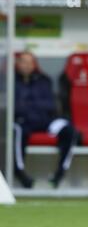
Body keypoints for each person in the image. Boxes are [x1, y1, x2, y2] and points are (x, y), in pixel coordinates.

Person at [14, 52, 78, 188]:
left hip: (44, 120)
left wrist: (29, 105)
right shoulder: (11, 80)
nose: (26, 65)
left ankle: (59, 174)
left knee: (68, 129)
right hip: (23, 121)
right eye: (23, 62)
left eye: (29, 62)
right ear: (17, 64)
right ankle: (19, 171)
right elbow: (14, 106)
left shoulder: (44, 80)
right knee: (17, 129)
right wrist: (31, 106)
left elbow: (50, 105)